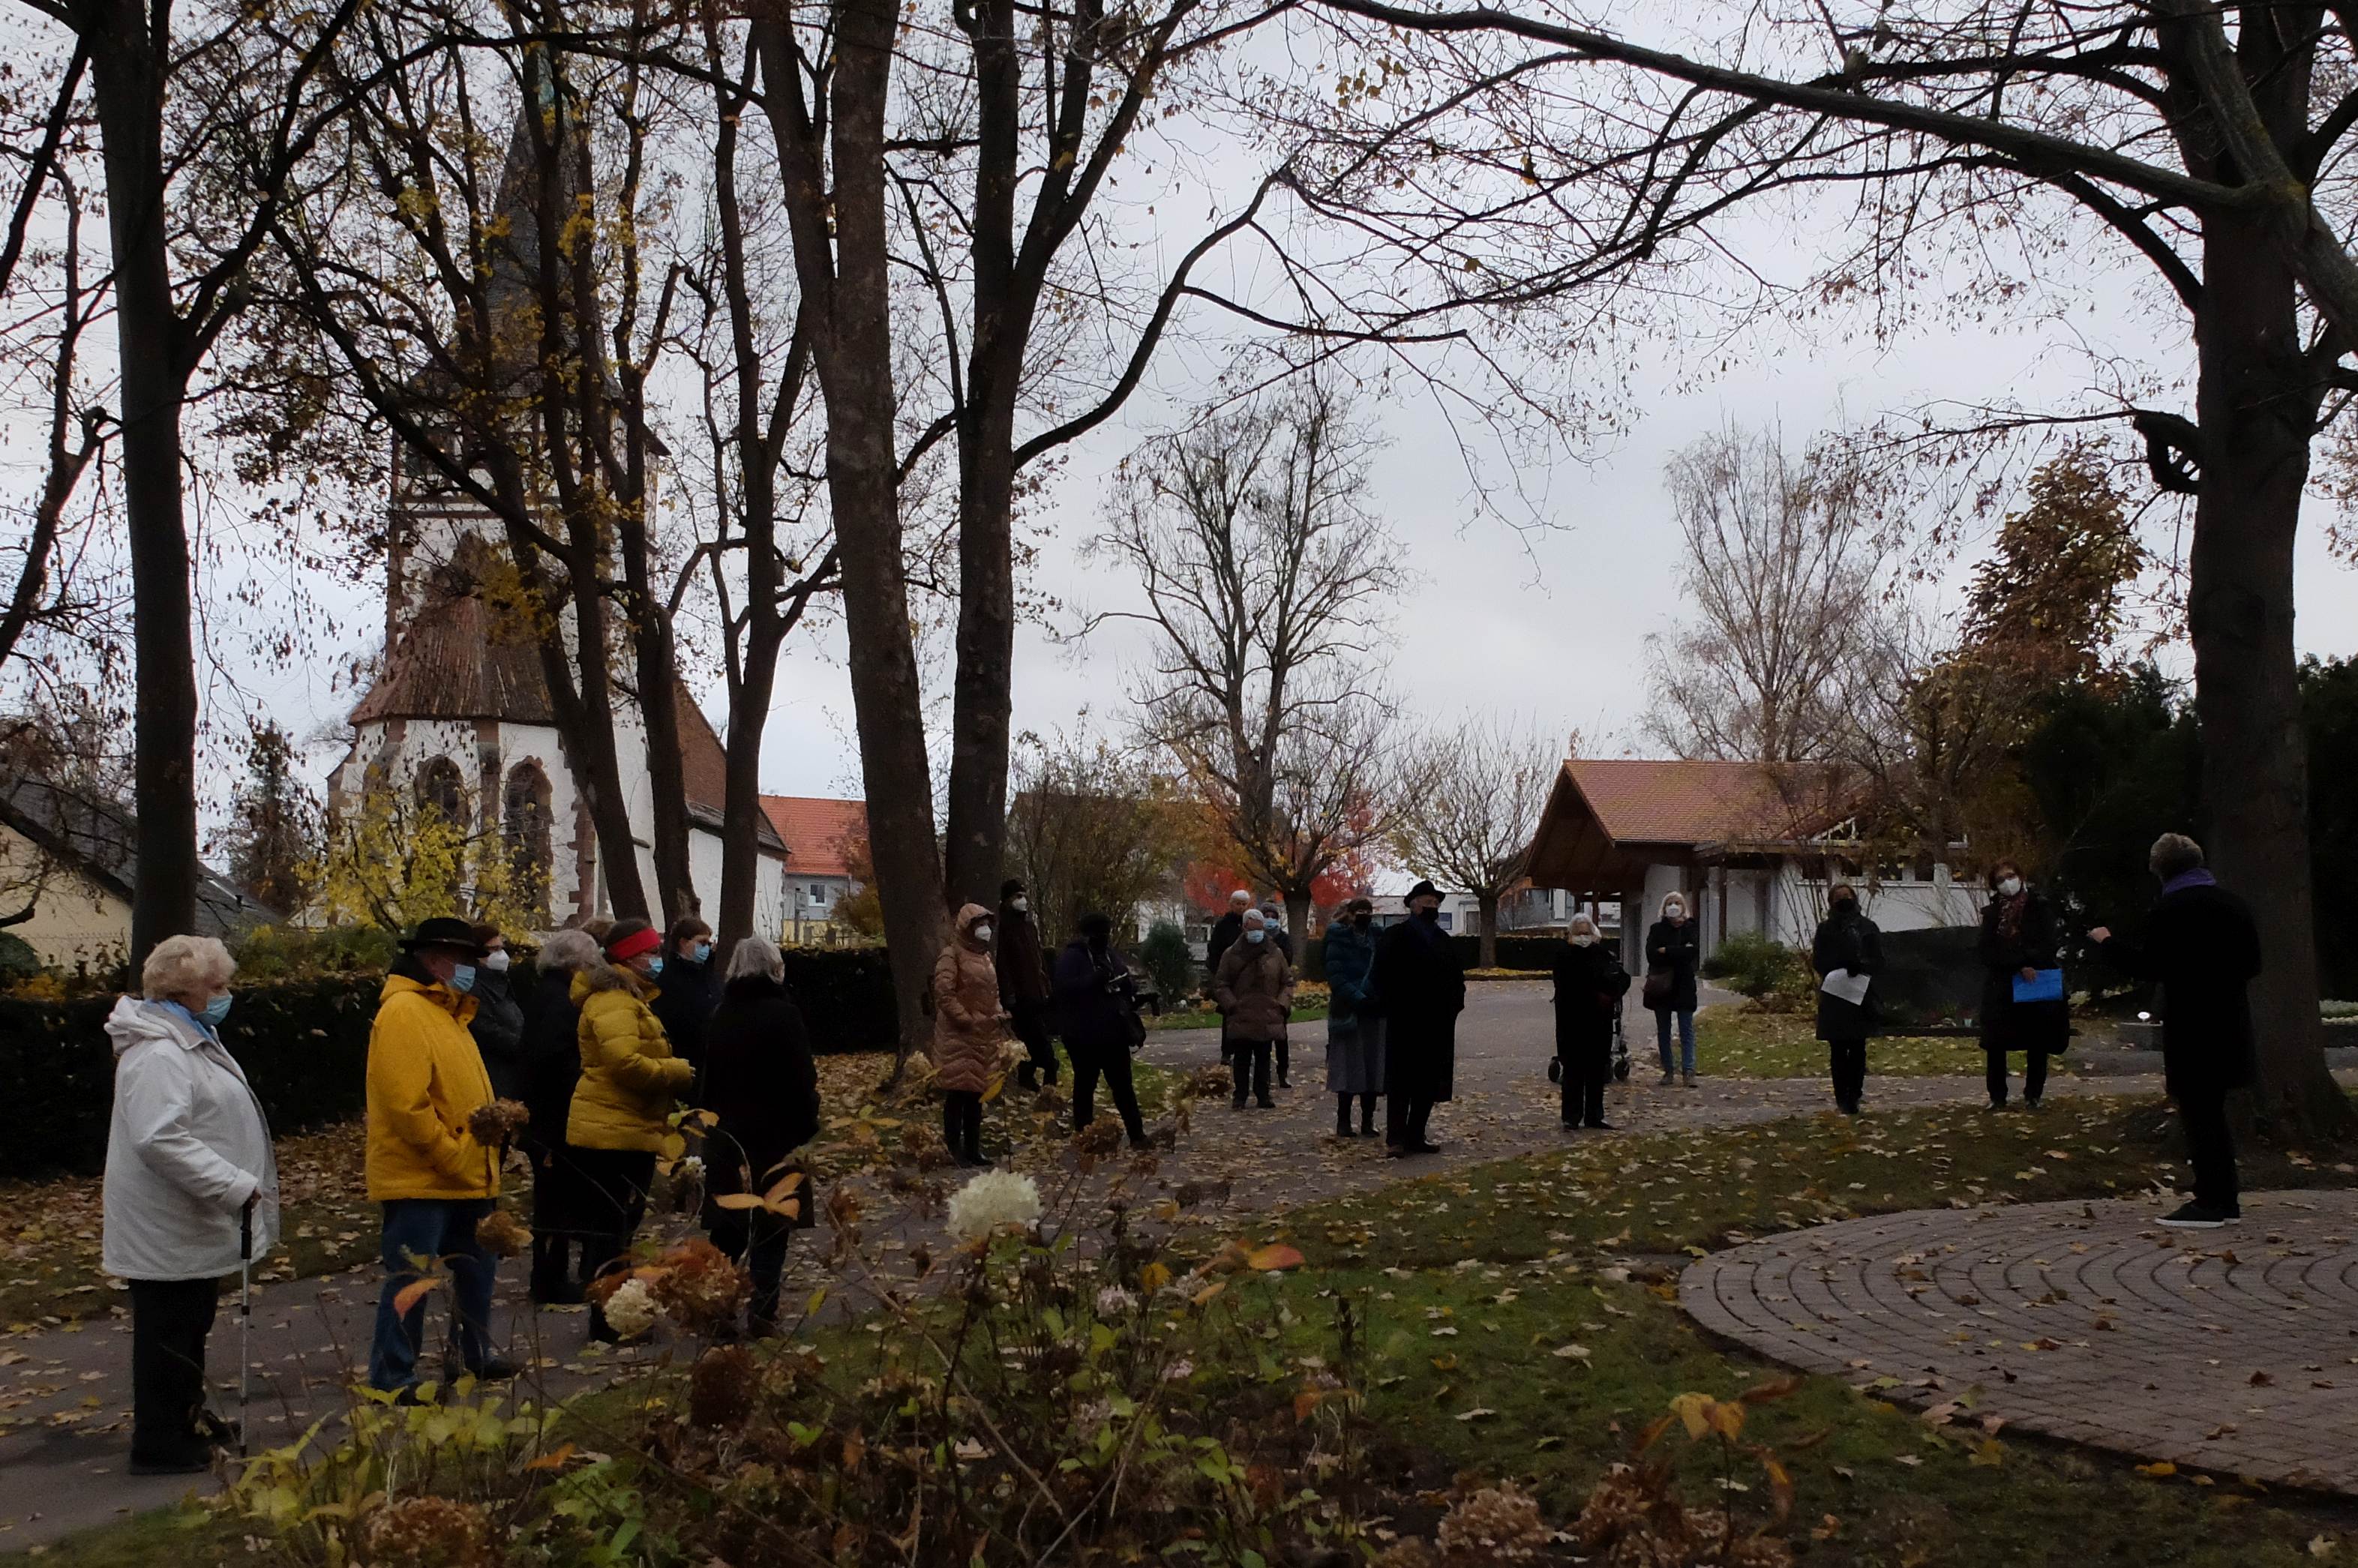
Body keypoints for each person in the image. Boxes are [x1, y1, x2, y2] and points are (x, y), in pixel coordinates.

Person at [101, 935, 278, 1473]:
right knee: (168, 1333)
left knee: (187, 1325)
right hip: (168, 1224)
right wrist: (231, 1182)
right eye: (216, 986)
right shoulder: (159, 1053)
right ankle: (160, 1440)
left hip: (188, 1219)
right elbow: (160, 1138)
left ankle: (185, 1415)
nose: (225, 995)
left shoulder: (187, 1037)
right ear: (184, 991)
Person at [364, 917, 512, 1396]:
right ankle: (394, 1376)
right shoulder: (406, 1011)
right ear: (436, 958)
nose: (474, 969)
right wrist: (451, 1154)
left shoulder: (449, 1011)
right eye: (467, 960)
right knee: (412, 1279)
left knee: (476, 1270)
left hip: (464, 1172)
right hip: (423, 1177)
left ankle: (473, 1355)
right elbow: (408, 1105)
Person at [2091, 834, 2261, 1228]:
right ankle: (2226, 1199)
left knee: (2200, 1115)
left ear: (2160, 869)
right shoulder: (2235, 906)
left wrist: (2108, 943)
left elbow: (2149, 966)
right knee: (2213, 1113)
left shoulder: (2170, 910)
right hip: (2230, 1020)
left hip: (2192, 1024)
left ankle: (2209, 1202)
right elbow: (2253, 964)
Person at [569, 918, 696, 1341]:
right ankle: (608, 1321)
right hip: (613, 1130)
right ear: (629, 957)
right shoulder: (613, 1001)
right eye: (651, 953)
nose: (657, 960)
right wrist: (674, 1071)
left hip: (623, 1125)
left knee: (617, 1226)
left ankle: (617, 1316)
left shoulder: (627, 998)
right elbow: (624, 1063)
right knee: (612, 1229)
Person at [700, 937, 821, 1333]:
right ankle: (763, 1312)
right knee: (771, 1228)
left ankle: (719, 1309)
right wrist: (806, 1127)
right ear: (774, 967)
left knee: (727, 1231)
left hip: (728, 1137)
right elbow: (802, 1079)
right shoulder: (784, 1015)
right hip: (774, 1136)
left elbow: (710, 1081)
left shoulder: (721, 1014)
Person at [519, 928, 599, 1304]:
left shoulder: (549, 994)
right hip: (554, 1117)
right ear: (572, 965)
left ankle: (551, 1274)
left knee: (555, 1200)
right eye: (587, 964)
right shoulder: (558, 1001)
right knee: (554, 1202)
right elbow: (551, 1059)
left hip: (547, 1115)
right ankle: (549, 1278)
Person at [1373, 880, 1466, 1156]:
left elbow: (1456, 979)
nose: (1432, 907)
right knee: (1401, 1082)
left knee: (1428, 1082)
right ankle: (1396, 1138)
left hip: (1436, 1023)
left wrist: (1453, 1006)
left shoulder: (1443, 941)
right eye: (1427, 903)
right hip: (1404, 1021)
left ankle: (1416, 1134)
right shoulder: (1396, 936)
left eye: (1436, 903)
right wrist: (1390, 1005)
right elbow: (1381, 974)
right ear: (1413, 906)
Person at [1052, 912, 1151, 1147]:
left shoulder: (1109, 954)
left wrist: (1128, 985)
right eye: (1101, 933)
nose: (1105, 937)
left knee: (1123, 1086)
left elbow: (1124, 981)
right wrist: (1093, 980)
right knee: (1086, 1085)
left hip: (1113, 1032)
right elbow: (1063, 989)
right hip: (1083, 1034)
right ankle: (1085, 1135)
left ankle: (1137, 1134)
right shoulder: (1073, 957)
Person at [1977, 858, 2069, 1109]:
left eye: (2010, 876)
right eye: (2000, 879)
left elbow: (2049, 943)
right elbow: (1985, 951)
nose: (2007, 882)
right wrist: (2017, 964)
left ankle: (2034, 1094)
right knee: (1997, 1043)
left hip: (2034, 982)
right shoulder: (1992, 913)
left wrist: (2030, 962)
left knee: (2037, 1041)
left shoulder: (2039, 907)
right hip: (2002, 983)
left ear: (2020, 876)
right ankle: (1997, 1097)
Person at [933, 904, 1005, 1165]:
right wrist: (965, 1019)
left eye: (986, 924)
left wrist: (997, 1013)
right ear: (967, 927)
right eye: (979, 924)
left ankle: (973, 1148)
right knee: (957, 1095)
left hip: (982, 1036)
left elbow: (992, 992)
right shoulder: (951, 956)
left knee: (976, 1094)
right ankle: (954, 1148)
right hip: (958, 1036)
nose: (984, 930)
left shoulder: (985, 957)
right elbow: (944, 992)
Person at [1552, 913, 1628, 1130]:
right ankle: (1571, 1117)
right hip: (1572, 1022)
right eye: (1579, 933)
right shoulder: (1564, 956)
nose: (1583, 937)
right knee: (1573, 1072)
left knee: (1596, 1072)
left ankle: (1595, 1115)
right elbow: (1564, 985)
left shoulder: (1602, 955)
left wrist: (1611, 994)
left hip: (1598, 1022)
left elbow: (1622, 978)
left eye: (1587, 932)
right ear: (1571, 934)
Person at [1810, 884, 1882, 1115]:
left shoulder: (1867, 927)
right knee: (1838, 1049)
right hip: (1835, 996)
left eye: (1847, 897)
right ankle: (1842, 1096)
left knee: (1858, 1047)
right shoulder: (1826, 929)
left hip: (1860, 995)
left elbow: (1878, 960)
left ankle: (1856, 1093)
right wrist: (1840, 965)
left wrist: (1861, 966)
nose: (1844, 901)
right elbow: (1819, 961)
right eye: (1839, 898)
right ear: (1832, 902)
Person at [1214, 907, 1294, 1109]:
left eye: (1260, 928)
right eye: (1252, 928)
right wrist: (1232, 1005)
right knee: (1241, 1058)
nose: (1257, 932)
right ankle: (1240, 1095)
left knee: (1264, 1057)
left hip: (1267, 1014)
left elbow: (1287, 982)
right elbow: (1221, 984)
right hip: (1242, 1015)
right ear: (1244, 928)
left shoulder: (1275, 953)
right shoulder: (1231, 954)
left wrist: (1281, 1005)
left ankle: (1263, 1094)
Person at [1322, 897, 1384, 1138]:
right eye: (1360, 911)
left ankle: (1368, 1121)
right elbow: (1335, 975)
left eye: (1368, 911)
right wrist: (1358, 997)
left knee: (1373, 1068)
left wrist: (1376, 997)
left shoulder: (1378, 937)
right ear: (1350, 913)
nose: (1364, 915)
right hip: (1348, 1010)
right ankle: (1343, 1121)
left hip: (1374, 1010)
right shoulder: (1338, 938)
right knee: (1347, 1068)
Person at [995, 878, 1060, 1091]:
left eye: (1024, 896)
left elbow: (1038, 961)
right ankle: (1038, 1083)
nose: (1022, 901)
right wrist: (1010, 995)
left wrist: (1046, 988)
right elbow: (1004, 964)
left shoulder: (1029, 927)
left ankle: (1035, 1079)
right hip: (1021, 999)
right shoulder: (1004, 928)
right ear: (1007, 900)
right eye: (1018, 897)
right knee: (1035, 1045)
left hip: (1036, 995)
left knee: (1038, 1042)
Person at [648, 916, 718, 1087]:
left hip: (708, 1064)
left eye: (709, 944)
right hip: (683, 1060)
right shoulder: (668, 981)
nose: (707, 948)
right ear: (684, 943)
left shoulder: (708, 975)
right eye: (702, 943)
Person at [1643, 892, 1702, 1087]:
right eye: (1670, 903)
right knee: (1663, 1030)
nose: (1674, 906)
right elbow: (1651, 954)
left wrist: (1667, 950)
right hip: (1662, 985)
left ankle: (1689, 1070)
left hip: (1684, 985)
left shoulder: (1690, 927)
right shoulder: (1657, 929)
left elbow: (1691, 952)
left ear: (1684, 906)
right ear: (1664, 906)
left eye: (1678, 902)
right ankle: (1668, 1070)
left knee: (1686, 1029)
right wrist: (1678, 952)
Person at [467, 923, 527, 1101]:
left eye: (501, 948)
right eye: (494, 949)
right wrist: (523, 1045)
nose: (501, 955)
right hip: (494, 1074)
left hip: (509, 1072)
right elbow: (485, 1029)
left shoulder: (501, 983)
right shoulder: (474, 987)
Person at [1205, 889, 1251, 1063]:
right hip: (1229, 977)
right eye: (1238, 903)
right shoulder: (1223, 925)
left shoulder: (1250, 924)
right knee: (1229, 1013)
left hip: (1247, 977)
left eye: (1244, 904)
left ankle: (1243, 1050)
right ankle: (1227, 1051)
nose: (1240, 907)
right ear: (1231, 904)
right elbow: (1215, 952)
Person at [1258, 901, 1296, 1085]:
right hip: (1260, 996)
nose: (1270, 920)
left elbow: (1288, 962)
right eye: (1267, 916)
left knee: (1281, 1036)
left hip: (1278, 994)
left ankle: (1283, 1072)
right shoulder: (1255, 939)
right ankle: (1262, 1076)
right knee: (1260, 1039)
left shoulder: (1284, 940)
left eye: (1273, 917)